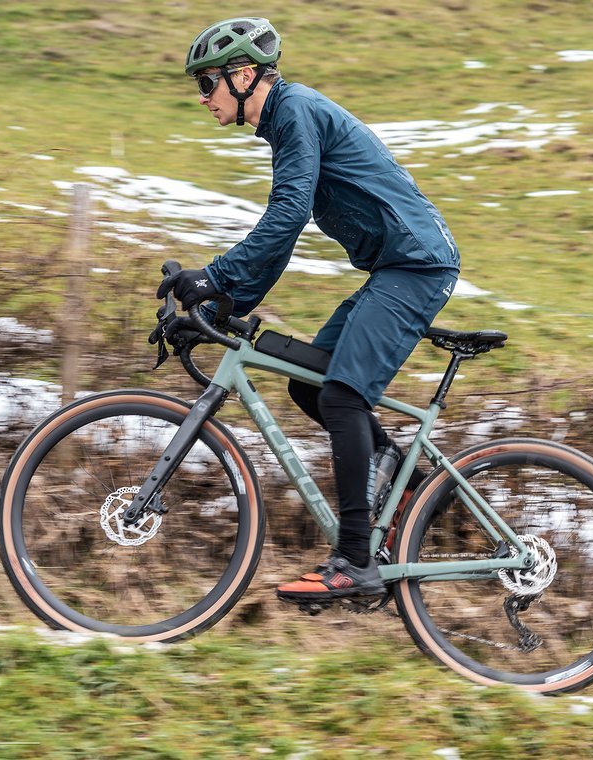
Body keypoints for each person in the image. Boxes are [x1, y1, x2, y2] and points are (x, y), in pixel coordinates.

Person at [159, 18, 460, 602]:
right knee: (309, 384)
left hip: (417, 266)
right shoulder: (284, 120)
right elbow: (283, 235)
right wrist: (220, 304)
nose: (203, 100)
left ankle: (355, 561)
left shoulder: (294, 111)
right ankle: (405, 480)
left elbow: (288, 214)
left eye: (207, 85)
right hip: (397, 267)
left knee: (343, 394)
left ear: (244, 76)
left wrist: (215, 277)